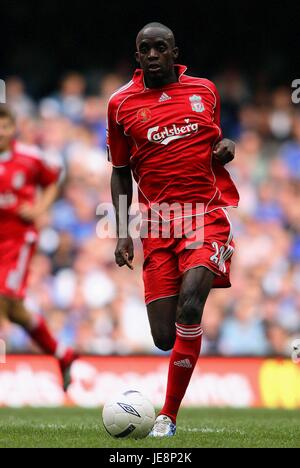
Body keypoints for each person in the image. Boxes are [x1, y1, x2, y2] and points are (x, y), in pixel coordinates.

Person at [108, 23, 240, 437]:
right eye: (144, 49)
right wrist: (121, 231)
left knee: (189, 308)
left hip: (204, 216)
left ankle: (167, 417)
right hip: (156, 224)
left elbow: (217, 144)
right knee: (165, 337)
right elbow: (119, 172)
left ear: (173, 52)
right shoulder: (120, 105)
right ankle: (183, 350)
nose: (152, 55)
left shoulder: (205, 91)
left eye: (159, 48)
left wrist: (226, 149)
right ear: (137, 56)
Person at [0, 106, 77, 389]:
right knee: (16, 311)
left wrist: (40, 208)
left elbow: (56, 177)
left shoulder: (29, 158)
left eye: (5, 125)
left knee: (2, 298)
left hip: (17, 240)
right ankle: (63, 353)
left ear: (13, 128)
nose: (0, 131)